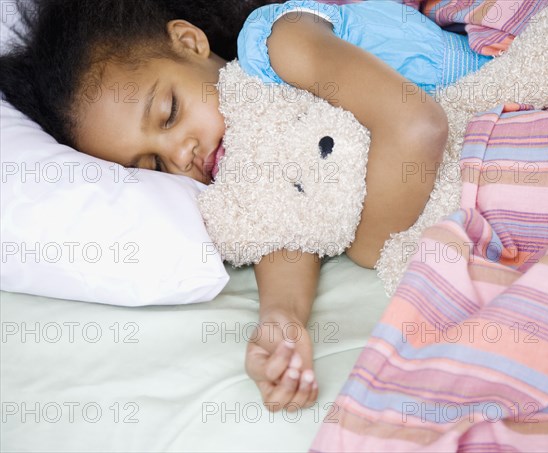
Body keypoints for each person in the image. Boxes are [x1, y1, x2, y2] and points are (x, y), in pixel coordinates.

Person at [0, 0, 491, 411]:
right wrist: (282, 321)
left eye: (169, 112)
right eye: (152, 165)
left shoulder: (279, 45)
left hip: (509, 92)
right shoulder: (247, 158)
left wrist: (366, 248)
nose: (180, 155)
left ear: (190, 42)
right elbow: (288, 223)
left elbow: (416, 127)